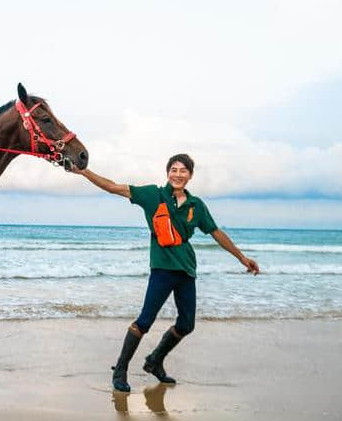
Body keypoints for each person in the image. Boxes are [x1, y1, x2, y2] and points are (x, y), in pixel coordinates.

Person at [73, 154, 259, 392]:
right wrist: (84, 172)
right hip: (162, 269)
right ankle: (120, 371)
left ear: (190, 175)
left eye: (183, 171)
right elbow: (113, 187)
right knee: (144, 321)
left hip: (187, 270)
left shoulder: (196, 205)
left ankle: (154, 361)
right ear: (167, 172)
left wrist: (242, 258)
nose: (178, 174)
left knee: (186, 324)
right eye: (174, 169)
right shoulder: (153, 195)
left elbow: (216, 233)